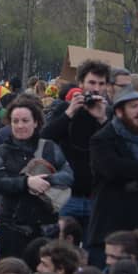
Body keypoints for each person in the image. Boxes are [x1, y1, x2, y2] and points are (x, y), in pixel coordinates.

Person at [0, 98, 72, 262]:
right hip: (12, 227)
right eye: (15, 121)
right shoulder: (2, 151)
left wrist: (46, 180)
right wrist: (26, 182)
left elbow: (68, 175)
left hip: (46, 227)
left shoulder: (50, 147)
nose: (20, 125)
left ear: (36, 122)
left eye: (25, 121)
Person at [84, 89, 138, 260]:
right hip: (110, 226)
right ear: (119, 111)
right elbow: (112, 168)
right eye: (133, 106)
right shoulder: (103, 139)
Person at [40, 60, 111, 229]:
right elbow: (45, 138)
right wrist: (69, 113)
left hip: (97, 196)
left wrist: (102, 119)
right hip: (67, 195)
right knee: (63, 251)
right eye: (92, 82)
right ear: (81, 84)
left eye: (101, 84)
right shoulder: (66, 109)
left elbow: (117, 146)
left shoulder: (109, 112)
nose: (96, 88)